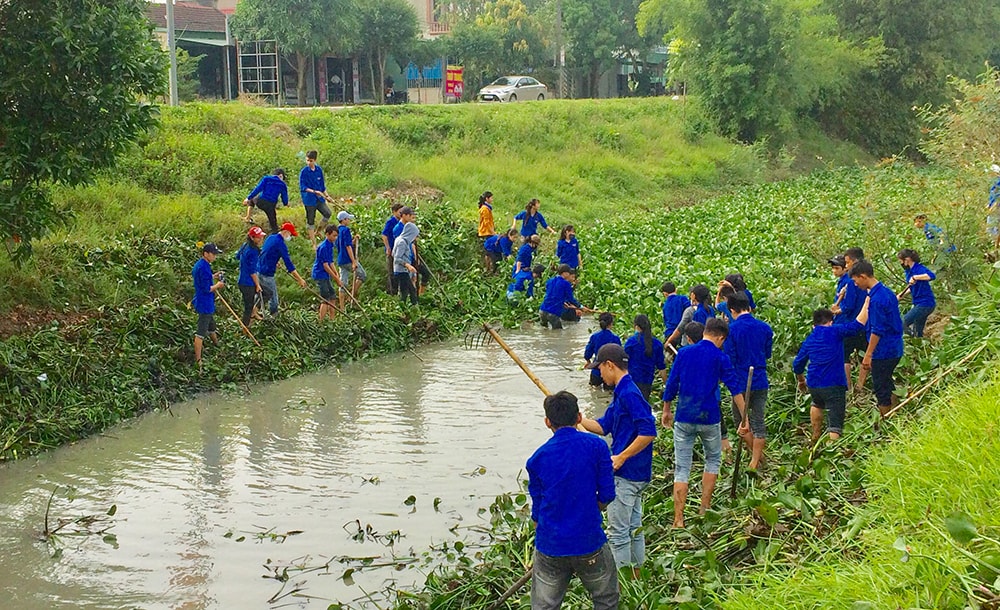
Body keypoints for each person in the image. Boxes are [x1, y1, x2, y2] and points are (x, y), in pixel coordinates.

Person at [527, 391, 619, 610]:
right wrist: (590, 509)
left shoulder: (537, 459)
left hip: (551, 546)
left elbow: (537, 514)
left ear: (547, 422)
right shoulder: (597, 447)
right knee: (606, 599)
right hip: (589, 541)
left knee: (544, 606)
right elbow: (607, 494)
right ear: (579, 417)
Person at [661, 318, 746, 528]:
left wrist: (666, 409)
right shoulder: (720, 357)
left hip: (684, 416)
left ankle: (678, 520)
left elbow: (672, 383)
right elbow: (735, 389)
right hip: (709, 417)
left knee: (682, 467)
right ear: (720, 337)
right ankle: (703, 508)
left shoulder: (685, 354)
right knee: (713, 460)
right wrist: (745, 419)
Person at [581, 344, 657, 575]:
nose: (599, 374)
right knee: (634, 528)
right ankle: (636, 577)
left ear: (609, 365)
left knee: (619, 534)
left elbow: (648, 431)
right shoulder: (622, 391)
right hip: (637, 473)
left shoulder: (629, 393)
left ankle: (620, 585)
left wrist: (621, 457)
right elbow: (604, 426)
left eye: (600, 369)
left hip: (627, 474)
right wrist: (578, 419)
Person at [793, 300, 871, 444]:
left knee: (817, 404)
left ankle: (815, 436)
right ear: (830, 322)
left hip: (814, 384)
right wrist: (866, 303)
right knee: (835, 423)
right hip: (834, 384)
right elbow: (858, 325)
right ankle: (832, 450)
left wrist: (801, 380)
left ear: (813, 325)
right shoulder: (835, 330)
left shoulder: (810, 339)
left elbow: (797, 364)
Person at [723, 293, 773, 471]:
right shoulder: (765, 328)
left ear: (732, 311)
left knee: (741, 422)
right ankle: (758, 458)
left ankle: (755, 459)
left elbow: (730, 358)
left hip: (740, 381)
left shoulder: (732, 330)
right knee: (758, 420)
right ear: (749, 308)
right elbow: (767, 354)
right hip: (760, 379)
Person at [849, 259, 904, 417]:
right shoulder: (887, 292)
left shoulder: (877, 299)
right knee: (886, 381)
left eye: (855, 280)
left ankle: (886, 419)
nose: (855, 284)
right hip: (895, 346)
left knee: (881, 387)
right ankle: (895, 412)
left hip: (884, 350)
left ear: (863, 276)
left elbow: (877, 330)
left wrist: (868, 354)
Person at [831, 248, 868, 391]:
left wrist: (838, 310)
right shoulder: (866, 278)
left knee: (844, 355)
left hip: (851, 323)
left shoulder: (852, 281)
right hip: (864, 324)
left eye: (847, 263)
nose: (846, 266)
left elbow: (850, 305)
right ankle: (860, 386)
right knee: (866, 352)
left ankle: (850, 388)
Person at [258, 221, 308, 315]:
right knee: (273, 299)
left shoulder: (271, 237)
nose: (290, 237)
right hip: (267, 274)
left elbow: (266, 252)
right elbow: (289, 265)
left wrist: (275, 261)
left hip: (258, 269)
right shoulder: (280, 244)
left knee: (261, 295)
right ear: (286, 232)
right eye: (290, 234)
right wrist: (300, 280)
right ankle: (274, 318)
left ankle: (255, 313)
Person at [192, 243, 225, 368]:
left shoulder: (200, 265)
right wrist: (218, 285)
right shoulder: (204, 268)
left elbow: (202, 279)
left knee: (212, 325)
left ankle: (217, 345)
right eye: (213, 254)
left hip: (206, 302)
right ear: (206, 254)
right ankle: (198, 360)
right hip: (204, 303)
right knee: (200, 332)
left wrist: (213, 276)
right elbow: (206, 288)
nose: (215, 256)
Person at [622, 314, 666, 404]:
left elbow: (623, 364)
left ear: (636, 326)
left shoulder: (631, 342)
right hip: (647, 383)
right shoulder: (657, 344)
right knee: (643, 406)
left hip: (632, 382)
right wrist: (667, 385)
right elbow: (662, 368)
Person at [898, 248, 936, 337]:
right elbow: (912, 287)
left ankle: (912, 337)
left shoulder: (919, 269)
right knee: (918, 330)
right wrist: (900, 295)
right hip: (918, 303)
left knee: (903, 323)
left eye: (901, 261)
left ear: (907, 260)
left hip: (925, 303)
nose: (901, 263)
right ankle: (919, 345)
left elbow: (931, 276)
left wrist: (916, 277)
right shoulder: (908, 272)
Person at [299, 150, 333, 243]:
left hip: (319, 198)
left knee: (327, 213)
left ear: (315, 160)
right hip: (309, 199)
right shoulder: (304, 172)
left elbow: (322, 186)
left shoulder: (319, 170)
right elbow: (303, 187)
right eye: (307, 160)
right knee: (311, 220)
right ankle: (313, 242)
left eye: (311, 161)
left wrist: (327, 196)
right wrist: (314, 191)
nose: (309, 162)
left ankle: (318, 232)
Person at [336, 211, 367, 309]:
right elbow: (348, 246)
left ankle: (342, 307)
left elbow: (344, 243)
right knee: (362, 275)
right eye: (348, 219)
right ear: (344, 220)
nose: (349, 221)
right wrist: (353, 261)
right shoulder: (346, 230)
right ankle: (351, 296)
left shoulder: (337, 231)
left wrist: (354, 240)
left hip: (340, 259)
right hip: (348, 259)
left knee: (343, 283)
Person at [539, 265, 587, 329]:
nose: (569, 274)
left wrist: (563, 302)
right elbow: (571, 298)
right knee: (558, 333)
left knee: (544, 330)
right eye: (568, 273)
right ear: (564, 273)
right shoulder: (566, 283)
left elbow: (551, 294)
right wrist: (580, 306)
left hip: (542, 310)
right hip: (553, 312)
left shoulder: (550, 280)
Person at [236, 226, 265, 327]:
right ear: (252, 238)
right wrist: (257, 285)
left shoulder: (245, 246)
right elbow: (252, 272)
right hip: (248, 283)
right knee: (248, 307)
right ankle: (245, 328)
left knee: (266, 293)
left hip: (242, 280)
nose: (261, 239)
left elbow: (237, 256)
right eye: (259, 237)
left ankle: (253, 314)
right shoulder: (252, 251)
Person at [312, 224, 342, 321]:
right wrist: (335, 278)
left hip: (326, 274)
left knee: (332, 295)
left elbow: (331, 262)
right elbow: (325, 265)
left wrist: (336, 274)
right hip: (320, 274)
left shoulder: (330, 245)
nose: (335, 238)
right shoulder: (323, 247)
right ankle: (321, 321)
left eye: (336, 236)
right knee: (325, 298)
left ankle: (332, 319)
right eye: (334, 235)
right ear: (327, 235)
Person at [585, 313, 621, 391]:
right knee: (609, 394)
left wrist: (588, 360)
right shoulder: (615, 338)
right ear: (611, 323)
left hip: (596, 369)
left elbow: (588, 351)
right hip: (610, 372)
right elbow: (619, 355)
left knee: (593, 392)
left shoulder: (594, 336)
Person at [393, 221, 420, 305]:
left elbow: (393, 253)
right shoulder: (402, 242)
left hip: (403, 270)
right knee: (412, 290)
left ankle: (403, 309)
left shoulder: (400, 239)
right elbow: (396, 258)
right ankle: (414, 308)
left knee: (404, 291)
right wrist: (407, 265)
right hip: (401, 270)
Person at [381, 202, 404, 294]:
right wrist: (388, 248)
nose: (401, 214)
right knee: (392, 271)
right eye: (399, 212)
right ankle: (392, 291)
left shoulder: (401, 222)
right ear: (394, 212)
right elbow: (384, 235)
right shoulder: (391, 222)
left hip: (399, 250)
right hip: (392, 250)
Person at [661, 282, 688, 347]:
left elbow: (665, 321)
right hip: (683, 332)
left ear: (665, 294)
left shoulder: (665, 305)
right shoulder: (682, 299)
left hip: (670, 333)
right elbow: (690, 310)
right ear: (676, 290)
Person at [988, 164, 1000, 239]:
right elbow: (992, 195)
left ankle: (994, 241)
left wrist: (995, 205)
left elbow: (998, 195)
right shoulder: (994, 182)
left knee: (994, 224)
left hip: (996, 206)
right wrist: (989, 204)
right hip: (992, 205)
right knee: (990, 224)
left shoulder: (998, 181)